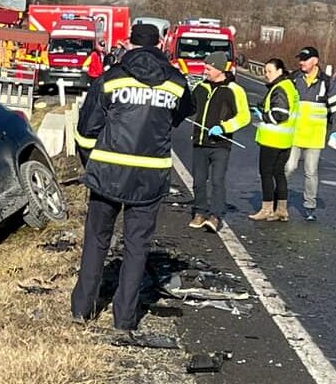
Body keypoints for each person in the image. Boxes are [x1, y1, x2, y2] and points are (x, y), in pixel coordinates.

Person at [71, 23, 194, 331]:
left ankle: (82, 309)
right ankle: (124, 319)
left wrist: (91, 162)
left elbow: (87, 130)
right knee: (137, 247)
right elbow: (181, 115)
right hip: (150, 177)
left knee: (97, 240)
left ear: (127, 43)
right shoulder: (176, 83)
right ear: (161, 43)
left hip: (107, 173)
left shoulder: (111, 79)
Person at [189, 51, 251, 233]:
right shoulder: (200, 87)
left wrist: (225, 127)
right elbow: (189, 108)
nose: (205, 71)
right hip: (199, 141)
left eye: (208, 68)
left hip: (220, 144)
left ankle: (215, 216)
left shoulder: (234, 90)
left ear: (219, 69)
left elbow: (244, 116)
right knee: (199, 180)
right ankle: (199, 212)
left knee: (217, 180)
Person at [285, 46, 336, 221]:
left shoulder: (327, 83)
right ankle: (280, 201)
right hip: (294, 134)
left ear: (315, 61)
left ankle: (309, 206)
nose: (301, 62)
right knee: (289, 168)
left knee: (311, 172)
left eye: (305, 59)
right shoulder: (294, 78)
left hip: (314, 137)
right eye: (300, 59)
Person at [249, 58, 299, 222]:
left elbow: (280, 114)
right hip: (285, 139)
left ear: (279, 71)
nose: (266, 75)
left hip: (273, 139)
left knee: (266, 173)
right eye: (265, 71)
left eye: (269, 71)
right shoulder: (290, 86)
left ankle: (267, 209)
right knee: (279, 174)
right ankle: (282, 210)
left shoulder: (279, 88)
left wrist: (262, 115)